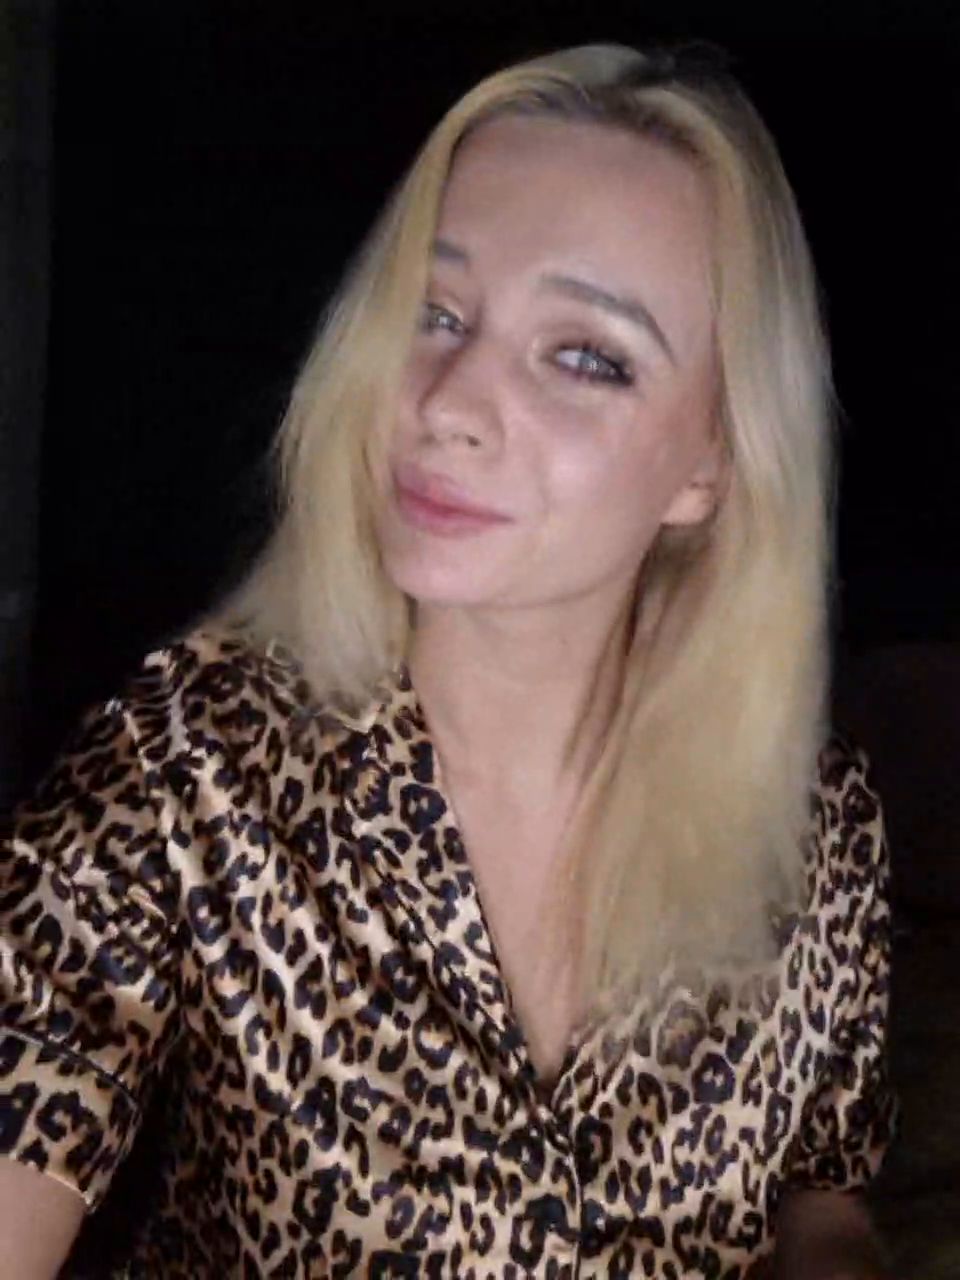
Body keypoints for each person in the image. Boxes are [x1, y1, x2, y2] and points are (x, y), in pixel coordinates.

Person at [0, 41, 897, 1279]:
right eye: (433, 313)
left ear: (712, 462)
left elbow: (825, 1201)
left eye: (586, 354)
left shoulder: (812, 826)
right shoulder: (188, 760)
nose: (448, 399)